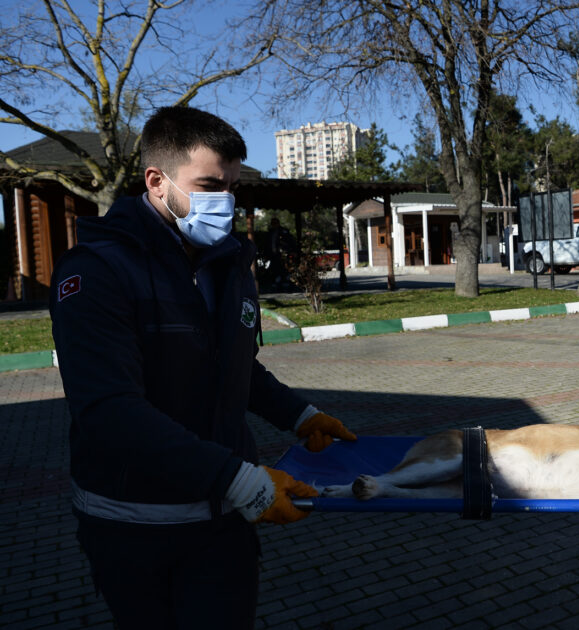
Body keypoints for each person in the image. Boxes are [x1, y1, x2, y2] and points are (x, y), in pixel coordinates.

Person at [49, 106, 358, 629]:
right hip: (135, 528)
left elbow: (235, 366)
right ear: (157, 181)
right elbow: (109, 412)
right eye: (211, 184)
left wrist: (301, 415)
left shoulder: (226, 260)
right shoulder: (98, 272)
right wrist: (237, 479)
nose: (226, 202)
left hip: (224, 520)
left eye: (233, 187)